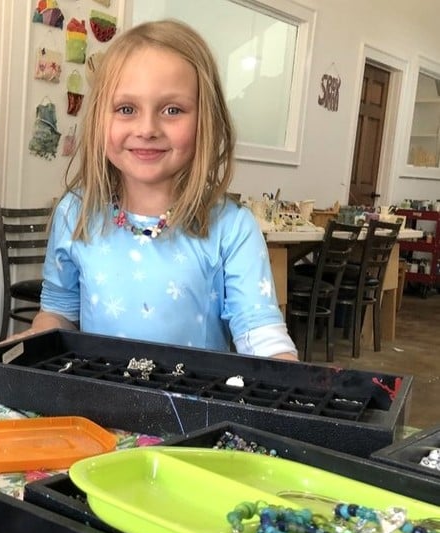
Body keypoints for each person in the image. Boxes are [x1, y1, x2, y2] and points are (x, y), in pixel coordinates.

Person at [21, 19, 297, 361]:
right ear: (99, 120)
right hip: (95, 409)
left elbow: (263, 338)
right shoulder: (75, 213)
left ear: (205, 121)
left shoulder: (232, 228)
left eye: (172, 110)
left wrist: (289, 383)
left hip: (195, 412)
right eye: (126, 109)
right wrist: (34, 341)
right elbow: (58, 314)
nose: (147, 128)